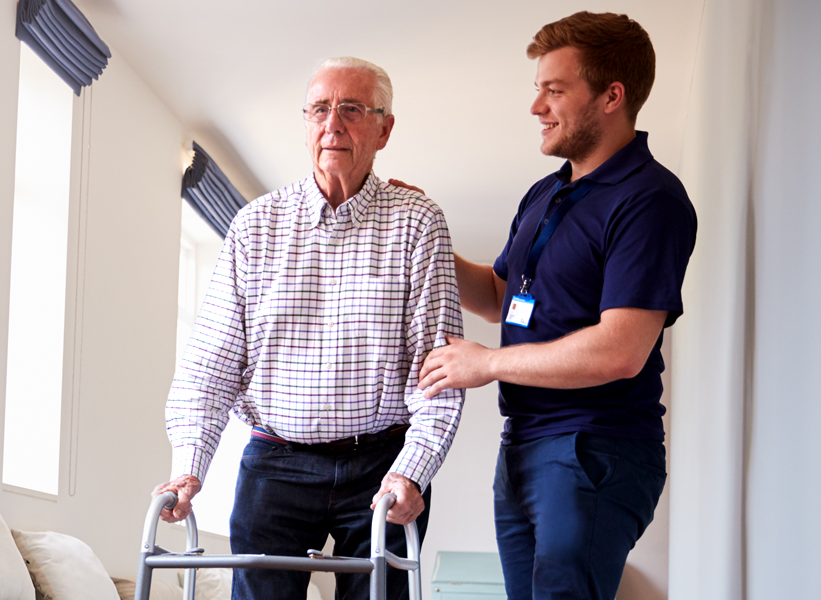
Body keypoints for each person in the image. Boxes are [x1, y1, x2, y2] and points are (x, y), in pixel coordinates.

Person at [156, 57, 465, 600]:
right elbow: (211, 365)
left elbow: (437, 374)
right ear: (305, 125)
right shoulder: (255, 225)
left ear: (384, 128)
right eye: (320, 109)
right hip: (276, 461)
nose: (333, 124)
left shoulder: (418, 221)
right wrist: (189, 467)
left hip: (382, 462)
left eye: (351, 109)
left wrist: (414, 471)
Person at [415, 12, 697, 600]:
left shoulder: (650, 200)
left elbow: (622, 350)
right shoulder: (546, 192)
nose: (536, 106)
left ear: (611, 96)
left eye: (554, 89)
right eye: (537, 89)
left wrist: (487, 364)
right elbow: (499, 297)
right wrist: (427, 234)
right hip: (522, 446)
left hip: (593, 448)